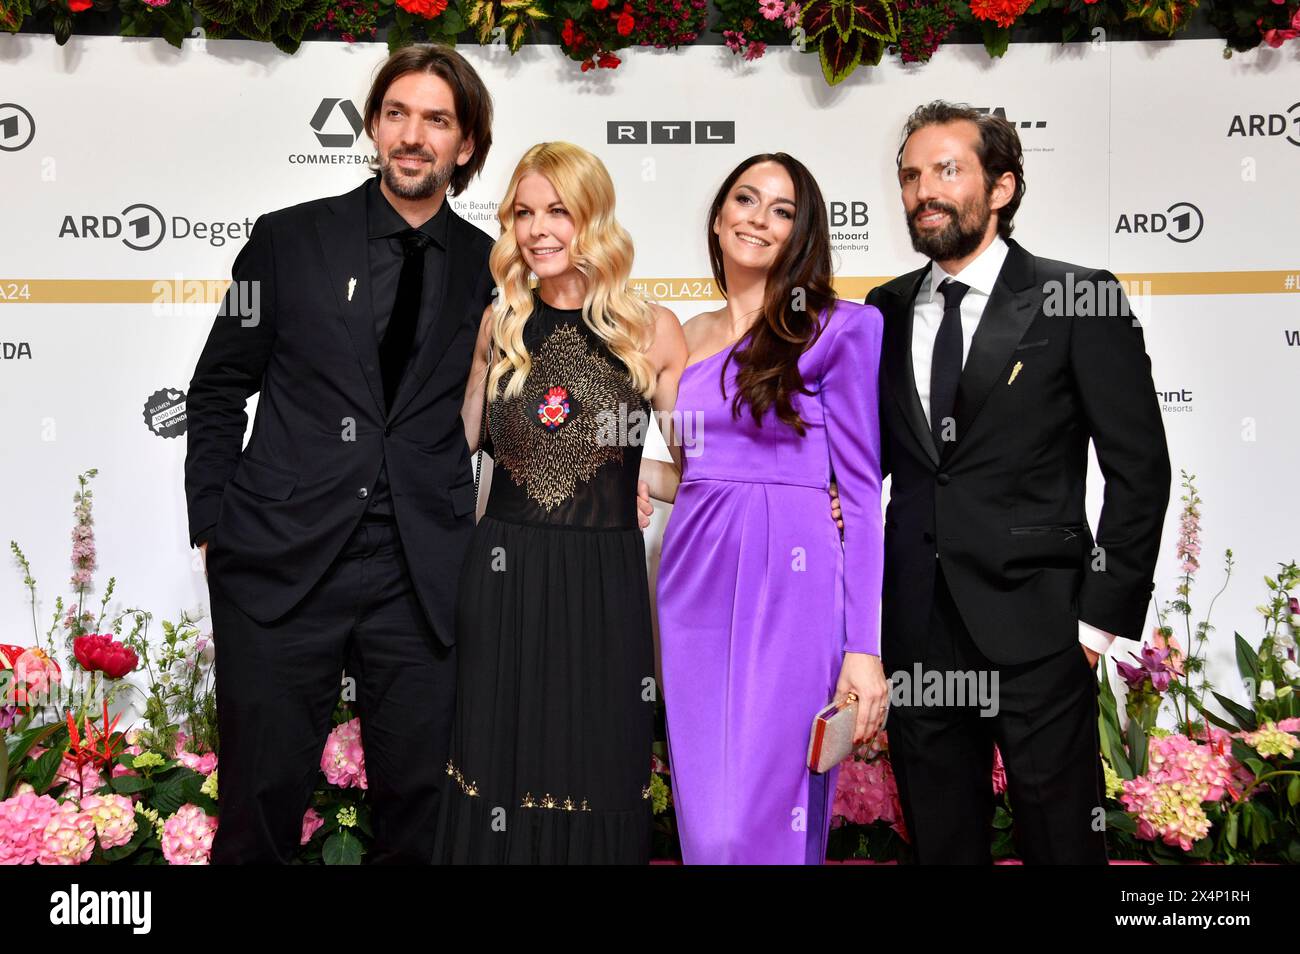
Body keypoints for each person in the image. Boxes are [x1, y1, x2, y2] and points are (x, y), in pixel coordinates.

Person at [185, 44, 502, 864]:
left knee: (423, 810)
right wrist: (214, 523)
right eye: (397, 113)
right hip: (280, 558)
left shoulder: (492, 270)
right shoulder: (287, 242)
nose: (412, 135)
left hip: (420, 572)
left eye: (437, 120)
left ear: (465, 146)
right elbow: (219, 387)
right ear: (372, 127)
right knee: (259, 800)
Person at [865, 101, 1171, 864]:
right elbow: (862, 462)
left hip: (1041, 631)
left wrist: (1095, 626)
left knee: (1064, 844)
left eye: (946, 170)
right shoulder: (883, 309)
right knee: (941, 844)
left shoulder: (1078, 298)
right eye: (910, 176)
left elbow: (1139, 470)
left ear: (999, 188)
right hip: (919, 631)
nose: (923, 192)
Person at [433, 141, 687, 864]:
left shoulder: (650, 330)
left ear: (594, 219)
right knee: (496, 767)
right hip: (501, 574)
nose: (539, 230)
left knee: (595, 764)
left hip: (603, 583)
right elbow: (457, 453)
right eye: (523, 213)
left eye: (559, 212)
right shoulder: (499, 323)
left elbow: (697, 467)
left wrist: (642, 478)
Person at [645, 154, 888, 864]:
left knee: (760, 818)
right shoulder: (684, 338)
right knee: (705, 820)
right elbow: (693, 474)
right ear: (718, 218)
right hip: (693, 581)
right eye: (745, 200)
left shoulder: (840, 328)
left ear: (800, 232)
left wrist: (865, 649)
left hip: (792, 579)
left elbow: (864, 493)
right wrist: (626, 479)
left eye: (781, 210)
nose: (757, 217)